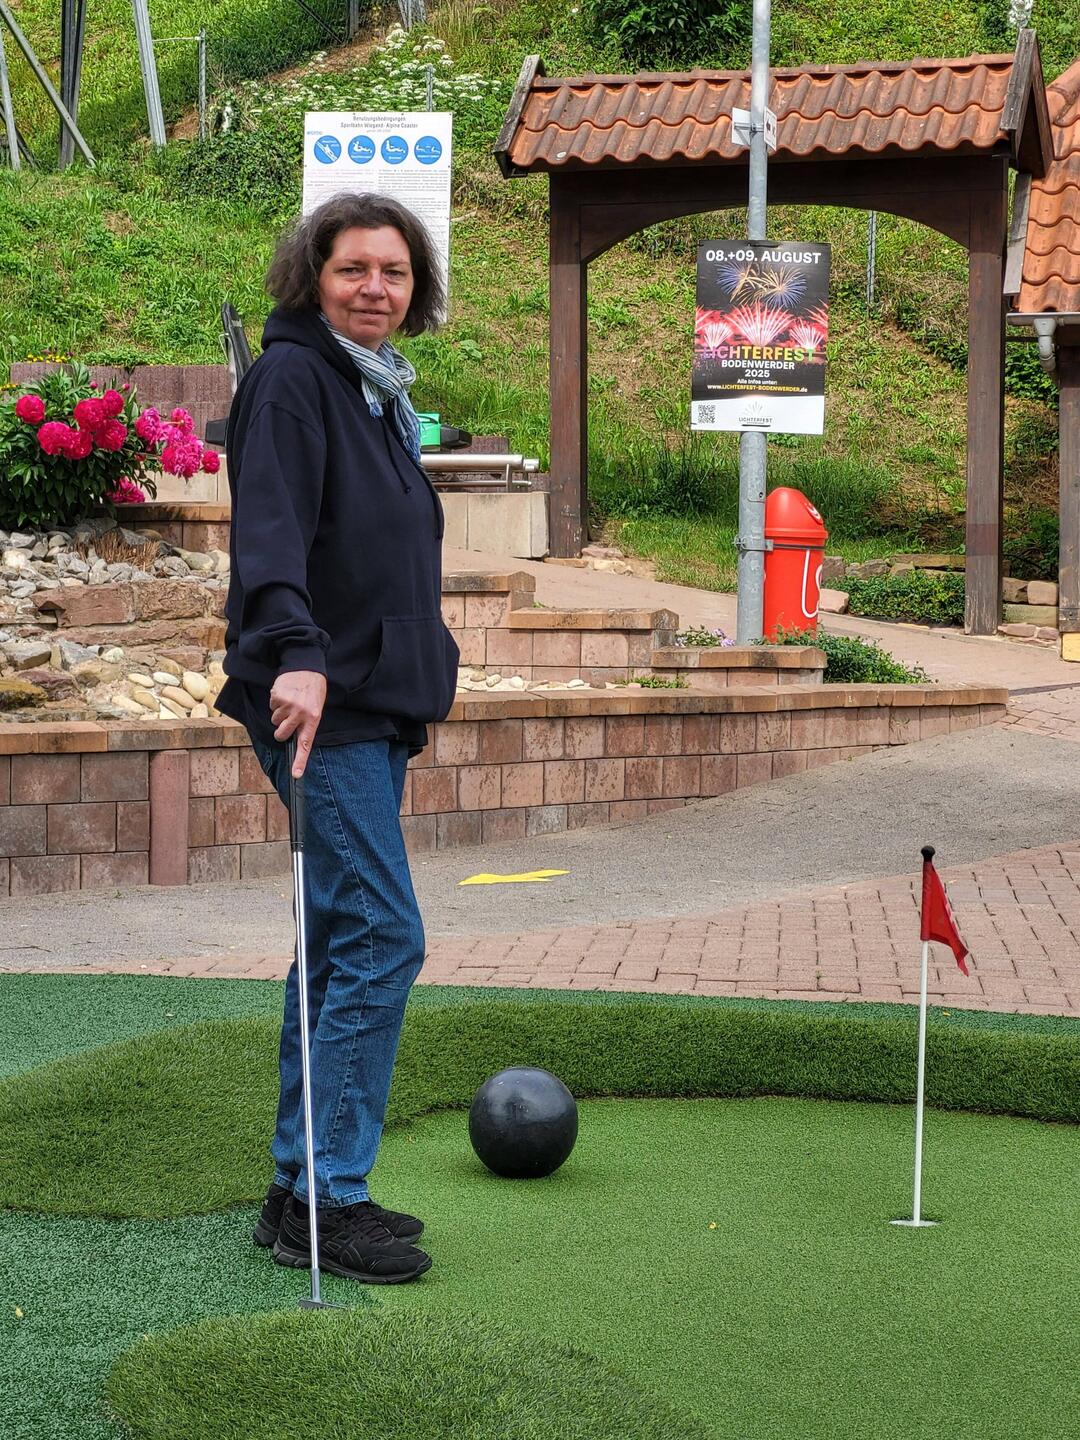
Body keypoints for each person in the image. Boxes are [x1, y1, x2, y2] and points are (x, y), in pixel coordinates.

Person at [214, 192, 459, 1285]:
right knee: (384, 934)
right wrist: (297, 653)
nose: (376, 287)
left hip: (369, 702)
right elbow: (270, 531)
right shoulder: (293, 381)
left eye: (394, 272)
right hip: (322, 701)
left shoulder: (373, 391)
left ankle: (294, 1189)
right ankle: (330, 1195)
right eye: (354, 268)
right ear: (311, 276)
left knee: (332, 946)